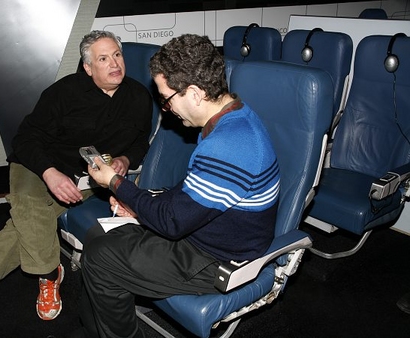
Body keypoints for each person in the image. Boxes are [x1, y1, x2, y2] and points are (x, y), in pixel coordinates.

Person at [0, 30, 152, 320]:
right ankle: (49, 273)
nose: (114, 63)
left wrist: (125, 158)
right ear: (88, 67)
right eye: (103, 58)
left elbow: (139, 141)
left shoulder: (138, 96)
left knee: (24, 223)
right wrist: (49, 174)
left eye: (117, 55)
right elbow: (25, 139)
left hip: (88, 174)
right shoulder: (63, 93)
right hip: (38, 165)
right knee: (29, 205)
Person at [75, 34, 281, 337]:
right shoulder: (231, 119)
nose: (167, 109)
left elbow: (172, 222)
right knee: (98, 235)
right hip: (202, 233)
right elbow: (191, 195)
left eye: (167, 99)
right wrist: (139, 204)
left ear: (195, 93)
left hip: (219, 259)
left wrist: (115, 182)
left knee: (100, 259)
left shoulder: (229, 146)